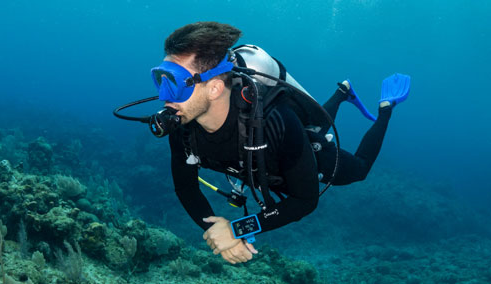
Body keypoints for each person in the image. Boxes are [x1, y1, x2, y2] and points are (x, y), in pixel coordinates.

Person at [151, 22, 408, 264]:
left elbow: (305, 200)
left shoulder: (276, 122)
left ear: (216, 88)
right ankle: (342, 92)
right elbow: (186, 188)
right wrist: (216, 230)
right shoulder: (183, 123)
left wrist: (237, 229)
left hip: (290, 152)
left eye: (174, 83)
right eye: (161, 79)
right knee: (317, 124)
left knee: (356, 167)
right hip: (256, 159)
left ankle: (386, 107)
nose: (164, 96)